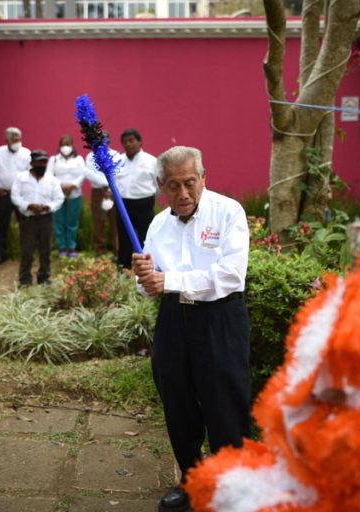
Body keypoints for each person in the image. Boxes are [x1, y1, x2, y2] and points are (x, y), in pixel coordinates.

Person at [131, 146, 251, 512]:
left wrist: (166, 280)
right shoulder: (158, 224)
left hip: (219, 319)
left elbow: (230, 276)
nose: (182, 194)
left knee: (225, 405)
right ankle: (192, 479)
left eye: (189, 183)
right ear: (160, 186)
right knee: (177, 401)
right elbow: (148, 284)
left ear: (204, 178)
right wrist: (145, 278)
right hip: (172, 319)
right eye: (173, 186)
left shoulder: (228, 212)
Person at [11, 150, 64, 286]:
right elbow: (15, 196)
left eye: (44, 162)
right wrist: (28, 206)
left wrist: (47, 207)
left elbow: (59, 198)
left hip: (46, 219)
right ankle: (25, 280)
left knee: (45, 251)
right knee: (27, 251)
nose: (42, 165)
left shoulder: (52, 179)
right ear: (32, 163)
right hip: (28, 220)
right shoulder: (21, 178)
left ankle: (44, 278)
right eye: (39, 162)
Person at [116, 128, 157, 269]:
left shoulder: (151, 161)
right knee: (124, 236)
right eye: (125, 142)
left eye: (131, 141)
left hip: (144, 203)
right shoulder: (118, 161)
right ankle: (124, 266)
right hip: (123, 204)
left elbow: (158, 184)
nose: (128, 144)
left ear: (140, 142)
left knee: (146, 236)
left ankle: (148, 266)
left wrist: (149, 197)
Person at [0, 127, 31, 264]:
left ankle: (26, 253)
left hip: (21, 195)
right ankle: (1, 254)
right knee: (2, 225)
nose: (17, 142)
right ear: (6, 140)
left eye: (19, 139)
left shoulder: (26, 153)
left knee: (25, 224)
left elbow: (30, 173)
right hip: (5, 194)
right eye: (14, 140)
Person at [46, 134, 86, 257]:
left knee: (72, 223)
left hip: (75, 194)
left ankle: (72, 247)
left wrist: (72, 186)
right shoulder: (54, 159)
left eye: (68, 144)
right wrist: (61, 187)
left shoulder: (79, 159)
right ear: (59, 146)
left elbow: (82, 174)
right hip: (58, 195)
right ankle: (62, 248)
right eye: (63, 144)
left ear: (73, 145)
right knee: (59, 222)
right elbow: (49, 175)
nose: (65, 147)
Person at [86, 139, 120, 255]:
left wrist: (110, 187)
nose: (102, 144)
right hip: (98, 191)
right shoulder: (90, 156)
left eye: (105, 141)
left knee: (116, 221)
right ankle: (100, 251)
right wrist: (106, 184)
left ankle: (117, 251)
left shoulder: (115, 154)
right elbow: (90, 174)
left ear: (109, 141)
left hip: (115, 191)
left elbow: (119, 172)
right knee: (98, 221)